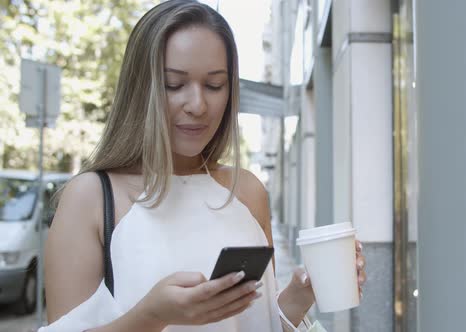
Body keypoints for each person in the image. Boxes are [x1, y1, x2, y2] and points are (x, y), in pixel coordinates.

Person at [40, 1, 366, 331]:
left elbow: (256, 324)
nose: (197, 105)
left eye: (214, 85)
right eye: (174, 84)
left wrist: (300, 294)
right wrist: (151, 316)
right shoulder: (90, 198)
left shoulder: (248, 192)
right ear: (142, 87)